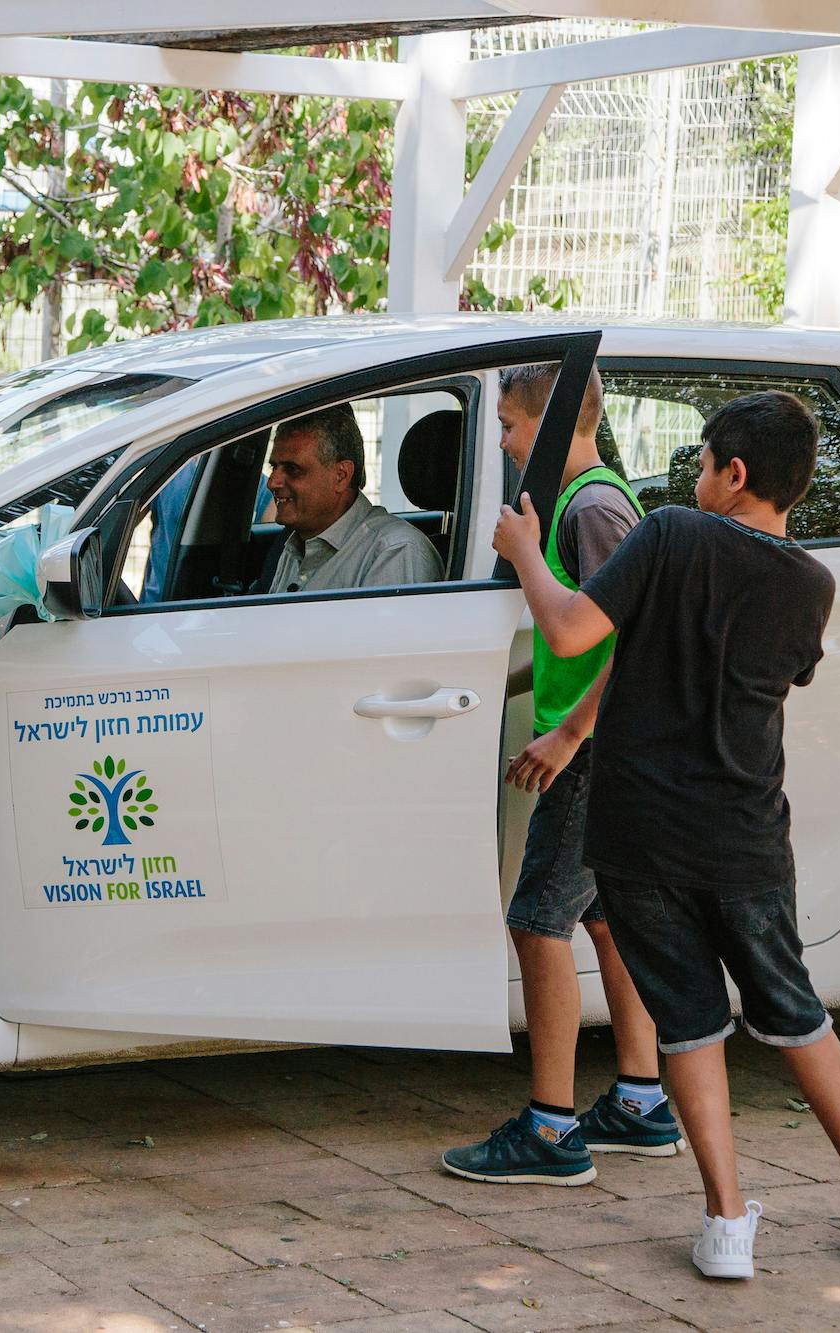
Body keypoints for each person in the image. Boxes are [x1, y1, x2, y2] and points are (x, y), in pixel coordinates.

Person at [491, 390, 840, 1280]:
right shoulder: (813, 583)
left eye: (701, 464)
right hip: (747, 839)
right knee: (797, 1015)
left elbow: (573, 628)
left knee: (688, 1024)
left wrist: (528, 554)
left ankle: (727, 1222)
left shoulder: (673, 535)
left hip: (642, 834)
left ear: (734, 472)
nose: (692, 479)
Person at [442, 364, 676, 1188]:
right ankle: (642, 1101)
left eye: (509, 425)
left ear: (548, 426)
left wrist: (570, 735)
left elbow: (623, 641)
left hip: (594, 756)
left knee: (539, 922)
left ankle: (550, 1127)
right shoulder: (589, 503)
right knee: (606, 921)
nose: (503, 443)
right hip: (602, 748)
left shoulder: (594, 508)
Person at [264, 404, 441, 592]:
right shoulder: (298, 545)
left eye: (292, 469)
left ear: (341, 476)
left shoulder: (394, 551)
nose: (272, 483)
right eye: (274, 467)